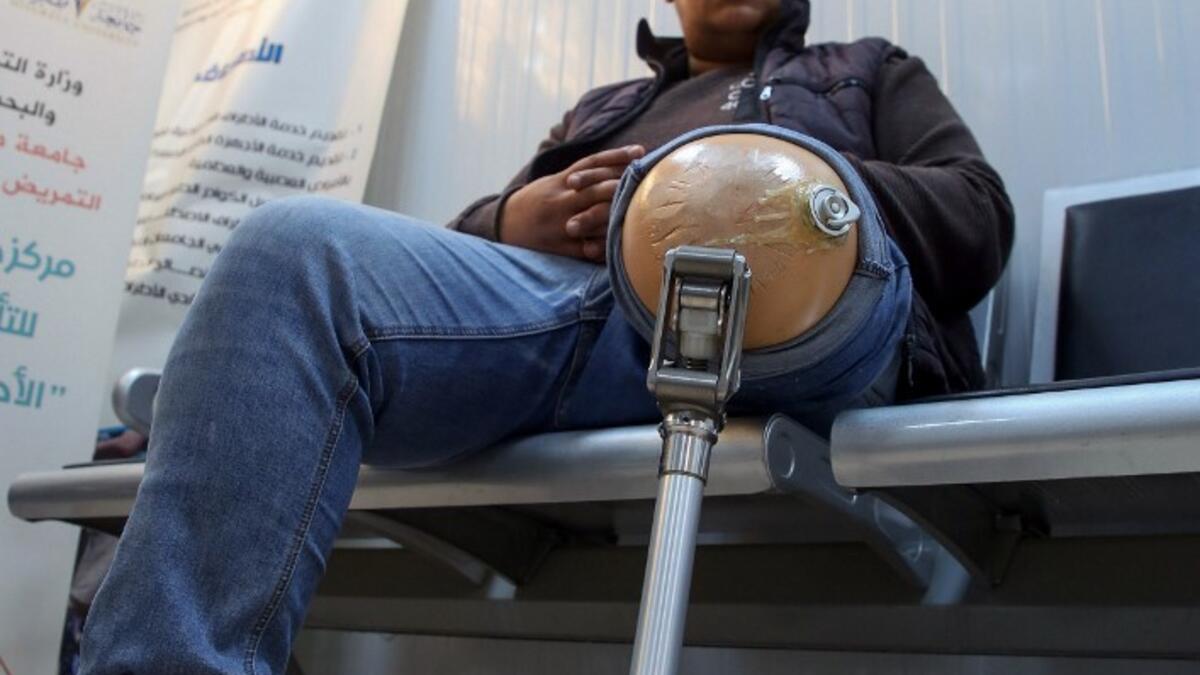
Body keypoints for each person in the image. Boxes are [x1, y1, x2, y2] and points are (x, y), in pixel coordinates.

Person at [80, 0, 1012, 672]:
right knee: (291, 252)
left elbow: (977, 217)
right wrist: (507, 217)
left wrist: (761, 181)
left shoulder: (864, 69)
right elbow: (455, 267)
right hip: (592, 321)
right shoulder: (601, 110)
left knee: (770, 232)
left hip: (807, 313)